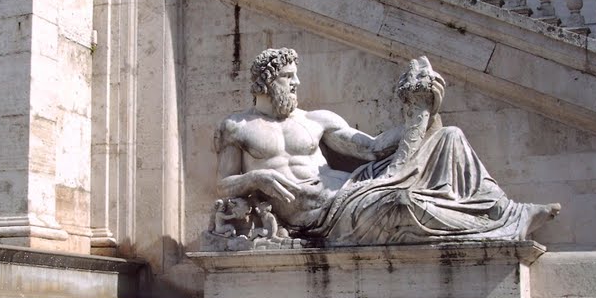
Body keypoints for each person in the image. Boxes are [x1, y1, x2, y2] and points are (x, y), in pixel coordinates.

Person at [214, 48, 559, 245]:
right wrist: (256, 179)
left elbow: (373, 148)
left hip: (352, 188)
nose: (298, 83)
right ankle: (494, 226)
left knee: (449, 136)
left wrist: (422, 113)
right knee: (402, 202)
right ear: (268, 81)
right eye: (290, 77)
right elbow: (222, 184)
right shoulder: (238, 126)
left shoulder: (315, 119)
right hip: (324, 215)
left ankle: (507, 213)